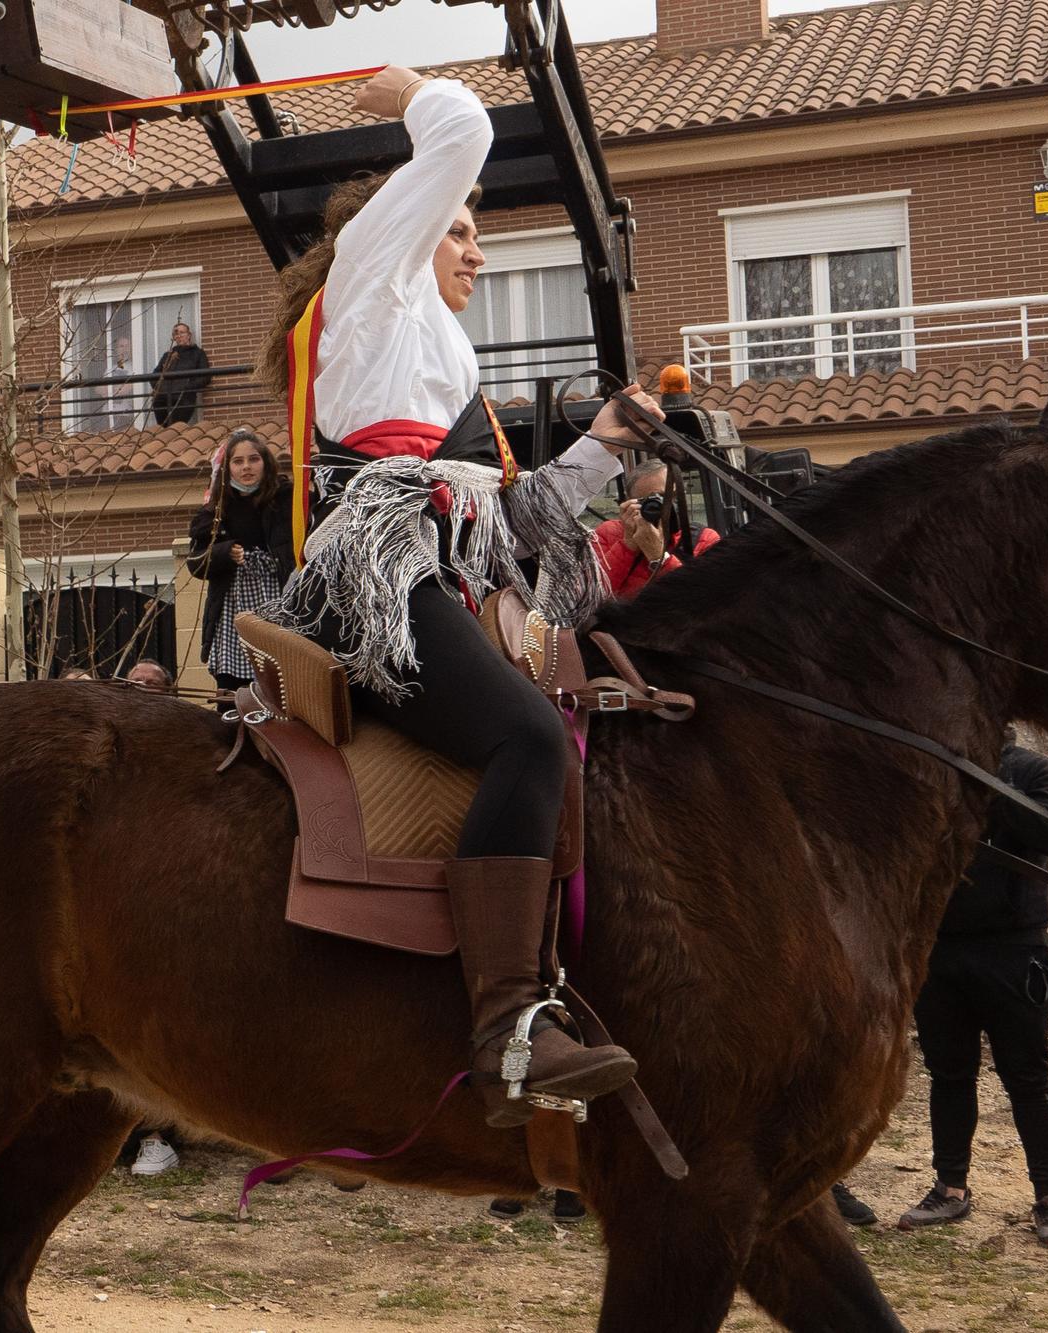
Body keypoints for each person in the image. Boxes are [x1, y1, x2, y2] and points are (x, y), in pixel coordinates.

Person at [258, 64, 661, 1125]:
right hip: (371, 582)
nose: (476, 251)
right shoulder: (371, 282)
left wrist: (603, 445)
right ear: (402, 229)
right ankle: (505, 1030)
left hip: (429, 565)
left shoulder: (444, 372)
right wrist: (406, 93)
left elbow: (512, 525)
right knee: (525, 740)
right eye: (460, 232)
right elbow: (464, 128)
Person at [895, 729, 1048, 1248]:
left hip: (1014, 950)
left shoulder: (1031, 771)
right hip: (940, 948)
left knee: (1027, 1076)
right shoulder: (928, 766)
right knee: (949, 1074)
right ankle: (950, 1189)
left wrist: (987, 784)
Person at [187, 428, 296, 708]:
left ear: (266, 463)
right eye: (238, 461)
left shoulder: (287, 499)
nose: (246, 467)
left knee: (283, 680)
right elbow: (196, 563)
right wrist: (224, 553)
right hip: (233, 607)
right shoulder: (216, 509)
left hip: (279, 597)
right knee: (233, 691)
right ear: (228, 469)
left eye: (253, 459)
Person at [589, 461, 720, 599]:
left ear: (679, 496)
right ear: (630, 502)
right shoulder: (609, 532)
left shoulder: (703, 538)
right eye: (647, 500)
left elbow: (708, 601)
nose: (659, 505)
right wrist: (627, 545)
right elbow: (590, 596)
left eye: (666, 496)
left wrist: (659, 557)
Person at [151, 321, 214, 426]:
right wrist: (160, 388)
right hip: (163, 399)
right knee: (163, 431)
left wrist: (187, 387)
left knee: (177, 428)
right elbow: (155, 375)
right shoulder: (168, 355)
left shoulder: (197, 353)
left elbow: (205, 377)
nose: (179, 336)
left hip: (184, 399)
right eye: (176, 334)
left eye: (182, 332)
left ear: (189, 335)